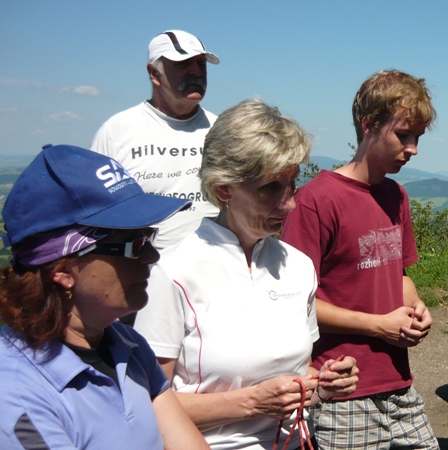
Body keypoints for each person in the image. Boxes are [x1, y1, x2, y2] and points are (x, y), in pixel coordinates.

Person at [134, 98, 359, 450]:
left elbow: (298, 373)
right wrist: (251, 403)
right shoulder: (172, 271)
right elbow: (145, 405)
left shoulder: (297, 266)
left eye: (292, 184)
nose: (290, 203)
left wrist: (323, 384)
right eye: (270, 188)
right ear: (225, 188)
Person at [0, 144, 209, 450]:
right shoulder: (17, 394)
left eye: (149, 237)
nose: (152, 256)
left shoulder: (129, 347)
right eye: (133, 244)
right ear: (63, 269)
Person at [280, 70, 439, 450]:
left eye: (417, 137)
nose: (413, 148)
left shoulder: (395, 196)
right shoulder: (316, 199)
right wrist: (378, 326)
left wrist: (416, 308)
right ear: (369, 125)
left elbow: (397, 275)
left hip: (397, 380)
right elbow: (293, 302)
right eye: (404, 135)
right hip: (340, 385)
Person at [91, 29, 220, 250]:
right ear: (154, 73)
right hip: (143, 272)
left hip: (214, 268)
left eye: (201, 64)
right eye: (183, 64)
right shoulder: (117, 131)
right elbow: (96, 207)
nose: (196, 71)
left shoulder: (222, 131)